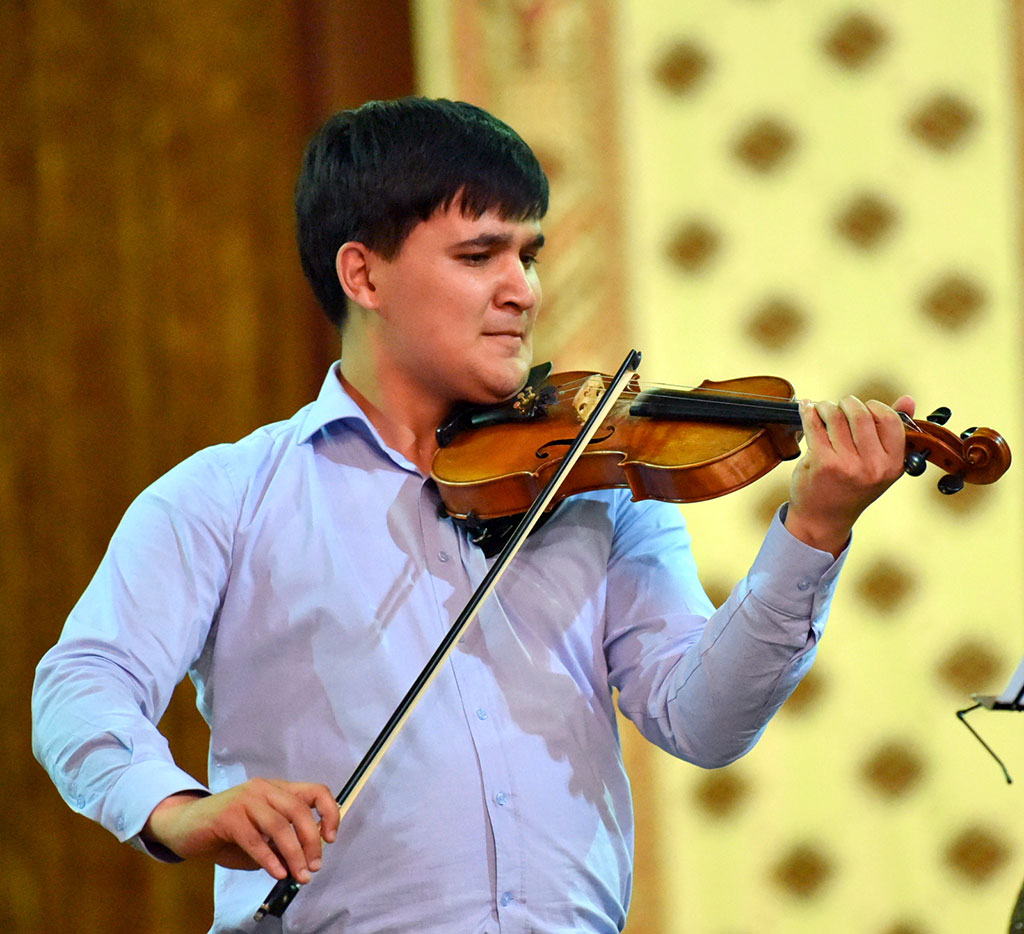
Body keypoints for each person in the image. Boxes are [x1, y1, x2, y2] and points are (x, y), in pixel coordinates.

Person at [32, 97, 914, 933]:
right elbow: (80, 687)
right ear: (363, 273)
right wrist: (179, 811)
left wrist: (815, 532)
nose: (524, 289)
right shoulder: (227, 497)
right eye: (478, 255)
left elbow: (704, 722)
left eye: (527, 255)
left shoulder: (597, 482)